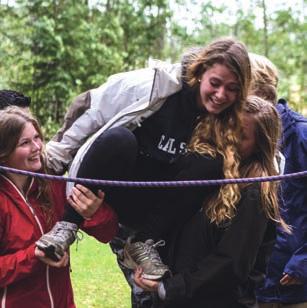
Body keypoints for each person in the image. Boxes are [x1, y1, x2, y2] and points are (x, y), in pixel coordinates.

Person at [36, 37, 251, 305]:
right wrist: (53, 160)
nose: (220, 95)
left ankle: (144, 242)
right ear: (200, 72)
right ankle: (67, 226)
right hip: (113, 184)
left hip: (155, 209)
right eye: (215, 83)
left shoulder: (227, 121)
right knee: (119, 139)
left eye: (231, 89)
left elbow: (260, 143)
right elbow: (92, 109)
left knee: (210, 163)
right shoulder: (155, 85)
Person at [133, 95, 289, 308]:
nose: (231, 139)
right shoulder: (213, 169)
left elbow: (231, 264)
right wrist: (156, 271)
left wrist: (170, 288)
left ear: (259, 145)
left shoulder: (255, 191)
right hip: (183, 298)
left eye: (242, 136)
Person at [0, 106, 118, 307]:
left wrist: (94, 213)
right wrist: (34, 256)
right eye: (25, 143)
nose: (37, 147)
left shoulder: (54, 185)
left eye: (37, 138)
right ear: (4, 153)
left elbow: (108, 233)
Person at [250, 54, 307, 307]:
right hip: (249, 285)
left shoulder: (301, 135)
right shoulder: (239, 137)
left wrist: (303, 262)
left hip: (292, 282)